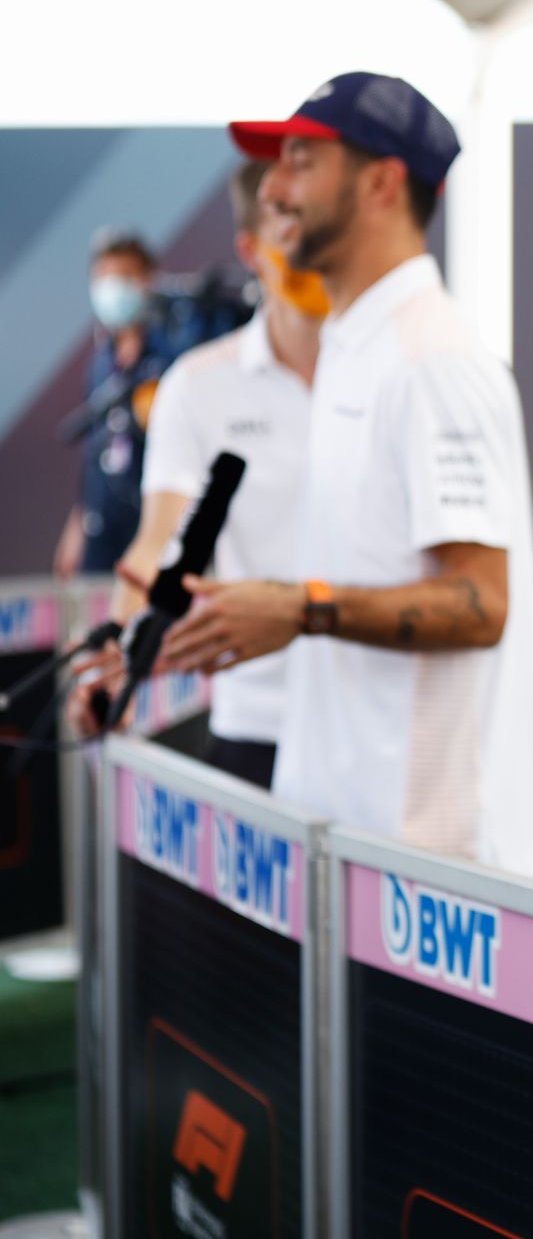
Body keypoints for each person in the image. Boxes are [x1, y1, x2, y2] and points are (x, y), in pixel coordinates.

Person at [157, 72, 533, 879]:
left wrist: (298, 608)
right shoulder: (360, 346)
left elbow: (481, 602)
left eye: (303, 162)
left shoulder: (430, 360)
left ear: (381, 183)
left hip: (438, 869)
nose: (273, 188)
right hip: (371, 852)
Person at [67, 163, 325, 788]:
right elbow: (157, 542)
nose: (311, 246)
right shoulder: (198, 384)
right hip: (257, 720)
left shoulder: (402, 371)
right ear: (252, 247)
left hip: (384, 726)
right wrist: (117, 658)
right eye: (287, 224)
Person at [54, 230, 206, 577]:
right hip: (103, 533)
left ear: (148, 280)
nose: (113, 288)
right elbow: (94, 453)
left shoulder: (176, 354)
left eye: (124, 277)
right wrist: (77, 525)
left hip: (157, 528)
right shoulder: (100, 363)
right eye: (104, 278)